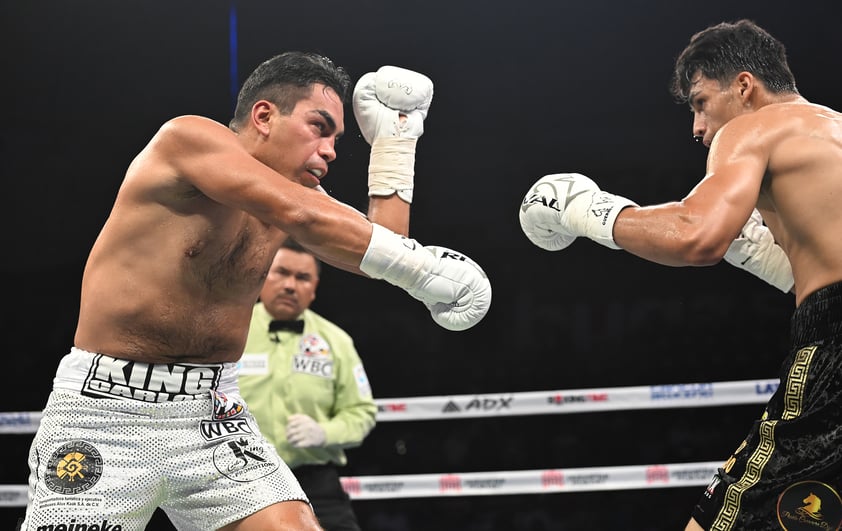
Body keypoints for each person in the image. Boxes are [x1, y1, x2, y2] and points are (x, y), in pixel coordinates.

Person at [21, 52, 491, 531]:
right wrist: (424, 268)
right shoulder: (186, 140)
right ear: (264, 116)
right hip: (106, 409)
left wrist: (396, 142)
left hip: (213, 413)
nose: (330, 150)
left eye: (336, 138)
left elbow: (382, 256)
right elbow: (309, 219)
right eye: (319, 126)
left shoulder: (296, 199)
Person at [518, 19, 842, 531]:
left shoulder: (754, 127)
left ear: (743, 85)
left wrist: (588, 212)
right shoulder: (830, 132)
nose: (697, 127)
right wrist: (765, 254)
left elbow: (697, 235)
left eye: (699, 102)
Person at [238, 238, 376, 531]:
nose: (290, 285)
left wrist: (323, 433)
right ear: (262, 276)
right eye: (282, 273)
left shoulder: (336, 341)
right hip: (240, 476)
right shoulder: (229, 332)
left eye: (302, 278)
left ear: (314, 289)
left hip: (315, 480)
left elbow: (362, 412)